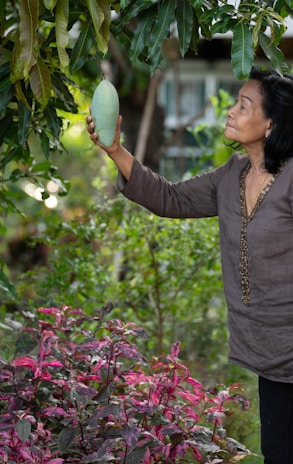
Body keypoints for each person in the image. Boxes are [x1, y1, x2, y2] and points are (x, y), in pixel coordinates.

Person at [87, 67, 293, 464]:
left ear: (271, 123)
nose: (231, 112)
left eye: (243, 105)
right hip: (271, 353)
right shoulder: (233, 174)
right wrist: (115, 150)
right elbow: (170, 198)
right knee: (279, 453)